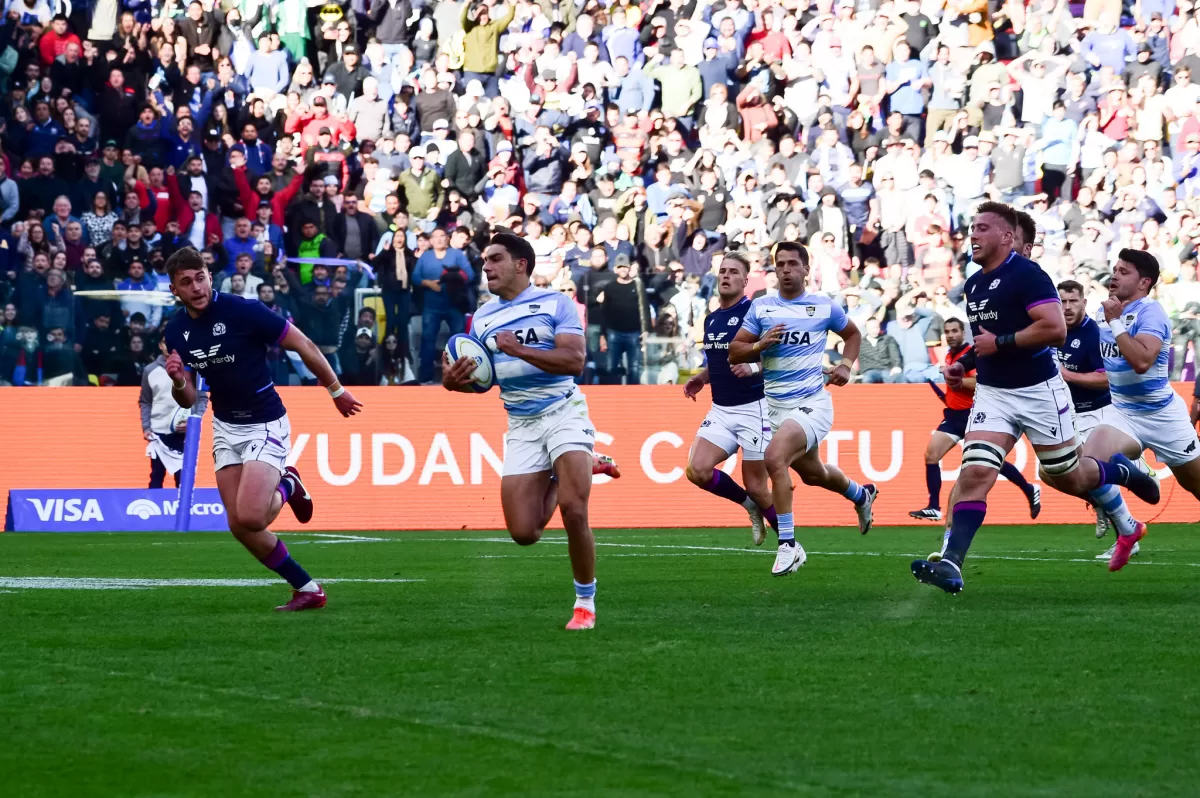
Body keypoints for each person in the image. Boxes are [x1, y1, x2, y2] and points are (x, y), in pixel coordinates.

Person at [911, 204, 1158, 594]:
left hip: (1038, 392)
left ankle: (1121, 472)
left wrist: (1001, 343)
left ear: (1007, 238)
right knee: (974, 472)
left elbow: (1055, 330)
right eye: (972, 228)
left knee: (1068, 475)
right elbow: (987, 340)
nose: (972, 235)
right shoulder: (974, 283)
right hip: (993, 393)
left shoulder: (1029, 276)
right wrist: (965, 364)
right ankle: (951, 564)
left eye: (982, 229)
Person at [161, 247, 363, 612]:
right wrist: (177, 380)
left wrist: (336, 390)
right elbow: (189, 399)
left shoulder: (244, 310)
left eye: (200, 277)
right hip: (225, 426)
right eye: (186, 282)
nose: (196, 287)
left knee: (253, 515)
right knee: (239, 525)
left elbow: (303, 344)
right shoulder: (176, 330)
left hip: (265, 421)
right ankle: (308, 589)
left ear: (210, 276)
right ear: (175, 290)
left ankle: (288, 484)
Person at [441, 233, 618, 631]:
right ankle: (583, 463)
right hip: (521, 422)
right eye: (485, 260)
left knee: (575, 511)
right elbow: (481, 379)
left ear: (521, 264)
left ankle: (584, 604)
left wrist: (519, 349)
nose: (486, 266)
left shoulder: (556, 303)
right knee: (524, 532)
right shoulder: (482, 318)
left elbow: (574, 360)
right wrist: (454, 381)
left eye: (495, 259)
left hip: (563, 411)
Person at [729, 242, 878, 577]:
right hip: (776, 407)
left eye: (793, 263)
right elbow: (735, 352)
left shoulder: (822, 306)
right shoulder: (761, 307)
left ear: (806, 269)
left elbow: (852, 335)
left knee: (774, 458)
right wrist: (759, 345)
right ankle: (862, 494)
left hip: (813, 403)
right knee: (813, 475)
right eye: (780, 264)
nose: (785, 269)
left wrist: (845, 365)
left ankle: (788, 545)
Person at [1077, 250, 1200, 571]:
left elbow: (1142, 362)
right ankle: (1129, 527)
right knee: (1086, 468)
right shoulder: (1104, 312)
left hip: (1162, 415)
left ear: (1144, 282)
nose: (1114, 276)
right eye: (1114, 269)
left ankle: (1130, 475)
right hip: (1123, 412)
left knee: (1196, 486)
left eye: (1124, 272)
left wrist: (1116, 320)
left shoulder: (1151, 312)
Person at [682, 252, 778, 546]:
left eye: (733, 272)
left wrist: (753, 367)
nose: (725, 276)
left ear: (745, 281)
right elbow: (719, 360)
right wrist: (701, 377)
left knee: (759, 487)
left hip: (754, 408)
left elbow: (777, 360)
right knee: (696, 470)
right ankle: (748, 505)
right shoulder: (712, 318)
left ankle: (789, 541)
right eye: (722, 271)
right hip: (722, 409)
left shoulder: (755, 314)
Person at [910, 317, 1041, 523]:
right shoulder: (949, 356)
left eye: (955, 331)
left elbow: (980, 381)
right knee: (931, 455)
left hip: (973, 413)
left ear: (963, 333)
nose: (951, 335)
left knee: (989, 461)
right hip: (954, 416)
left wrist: (958, 380)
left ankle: (1029, 488)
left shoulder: (970, 355)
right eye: (948, 331)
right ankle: (934, 507)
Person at [1056, 279, 1130, 547]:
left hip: (1100, 413)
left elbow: (1106, 378)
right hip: (1070, 415)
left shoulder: (1094, 333)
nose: (1067, 307)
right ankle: (1100, 504)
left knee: (1089, 469)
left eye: (1073, 301)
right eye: (1062, 301)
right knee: (1048, 473)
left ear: (1084, 303)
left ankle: (1128, 534)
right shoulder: (1053, 331)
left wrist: (1068, 375)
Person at [140, 338, 209, 488]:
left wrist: (192, 422)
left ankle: (183, 511)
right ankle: (155, 510)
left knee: (183, 481)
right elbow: (145, 402)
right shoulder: (150, 370)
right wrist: (146, 428)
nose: (168, 345)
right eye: (164, 342)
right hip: (158, 434)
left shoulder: (192, 369)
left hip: (183, 434)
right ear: (160, 345)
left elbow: (202, 398)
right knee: (156, 477)